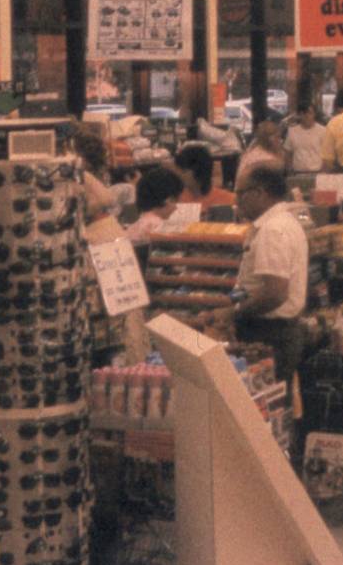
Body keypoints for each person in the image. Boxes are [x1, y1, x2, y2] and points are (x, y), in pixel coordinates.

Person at [207, 166, 309, 393]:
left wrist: (233, 312)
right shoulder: (281, 223)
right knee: (275, 407)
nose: (236, 200)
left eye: (240, 193)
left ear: (260, 193)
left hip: (268, 334)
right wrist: (231, 301)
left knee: (265, 409)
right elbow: (254, 284)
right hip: (276, 332)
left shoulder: (273, 230)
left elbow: (274, 293)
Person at [126, 167, 185, 243]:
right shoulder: (161, 227)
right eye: (176, 202)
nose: (176, 208)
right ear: (169, 200)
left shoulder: (132, 227)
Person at [174, 144, 237, 213]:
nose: (179, 175)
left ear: (199, 171)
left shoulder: (229, 200)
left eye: (184, 171)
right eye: (179, 171)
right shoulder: (174, 201)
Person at [235, 118, 285, 186]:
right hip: (250, 194)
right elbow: (279, 165)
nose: (280, 141)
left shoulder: (254, 149)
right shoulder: (264, 156)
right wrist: (279, 152)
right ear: (270, 138)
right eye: (278, 137)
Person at [283, 103, 326, 174]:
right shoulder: (292, 131)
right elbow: (288, 153)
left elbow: (326, 154)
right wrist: (289, 169)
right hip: (297, 172)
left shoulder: (323, 131)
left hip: (317, 171)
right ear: (299, 115)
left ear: (314, 114)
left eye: (309, 113)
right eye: (303, 113)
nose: (306, 116)